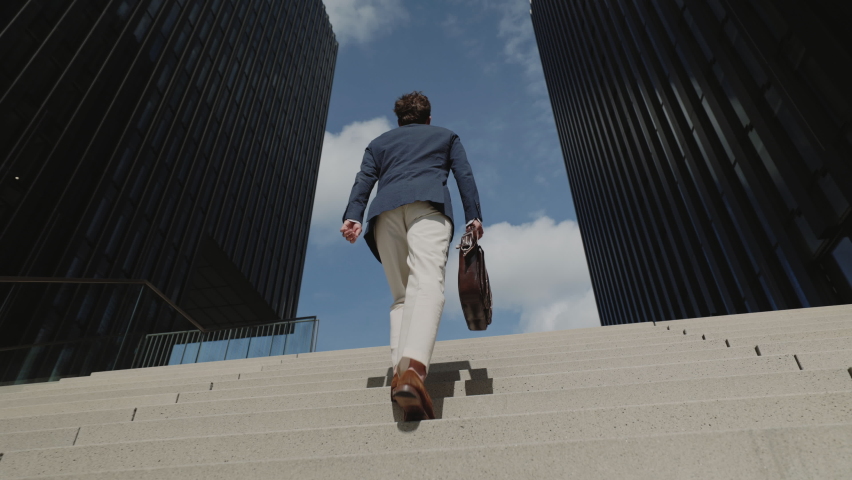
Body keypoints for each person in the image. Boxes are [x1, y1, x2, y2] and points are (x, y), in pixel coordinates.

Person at [340, 91, 483, 421]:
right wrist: (473, 215)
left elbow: (364, 178)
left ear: (399, 120)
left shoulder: (379, 143)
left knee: (403, 297)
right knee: (428, 282)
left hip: (384, 214)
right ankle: (414, 372)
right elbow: (464, 175)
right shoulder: (446, 136)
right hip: (428, 206)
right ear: (428, 118)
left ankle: (398, 377)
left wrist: (353, 215)